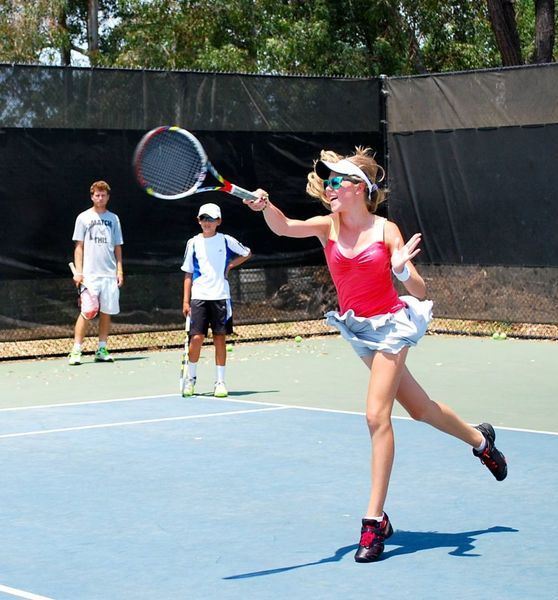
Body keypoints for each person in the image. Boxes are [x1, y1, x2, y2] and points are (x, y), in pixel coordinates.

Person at [244, 147, 507, 563]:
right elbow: (284, 227)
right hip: (360, 329)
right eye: (327, 182)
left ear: (360, 189)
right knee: (420, 409)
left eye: (338, 181)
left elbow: (419, 292)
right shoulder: (327, 227)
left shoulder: (386, 231)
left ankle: (373, 522)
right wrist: (264, 206)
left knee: (375, 416)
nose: (330, 187)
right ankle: (481, 440)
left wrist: (401, 269)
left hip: (392, 328)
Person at [180, 202, 252, 398]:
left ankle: (220, 382)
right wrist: (186, 301)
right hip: (199, 298)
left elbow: (246, 253)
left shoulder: (226, 240)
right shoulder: (193, 242)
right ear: (198, 220)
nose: (207, 222)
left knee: (220, 338)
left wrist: (229, 265)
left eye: (211, 219)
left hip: (221, 297)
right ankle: (191, 379)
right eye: (203, 218)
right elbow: (188, 273)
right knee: (197, 338)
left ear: (219, 221)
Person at [68, 180, 124, 365]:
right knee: (88, 311)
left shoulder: (114, 219)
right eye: (97, 195)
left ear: (108, 197)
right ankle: (76, 350)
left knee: (106, 312)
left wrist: (119, 270)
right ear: (92, 196)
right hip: (90, 275)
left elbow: (117, 246)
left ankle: (101, 348)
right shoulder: (83, 218)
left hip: (109, 275)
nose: (100, 198)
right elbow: (79, 247)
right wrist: (79, 272)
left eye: (103, 195)